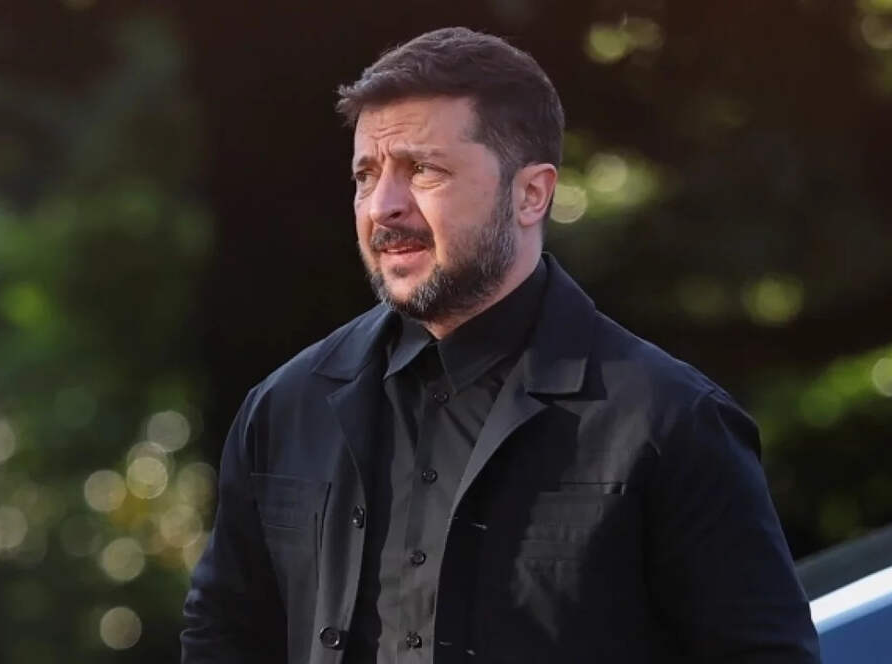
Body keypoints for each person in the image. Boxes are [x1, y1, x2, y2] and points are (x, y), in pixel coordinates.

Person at [181, 27, 820, 664]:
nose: (383, 207)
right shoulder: (285, 409)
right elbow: (222, 639)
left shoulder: (673, 422)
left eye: (422, 170)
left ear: (530, 194)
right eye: (366, 176)